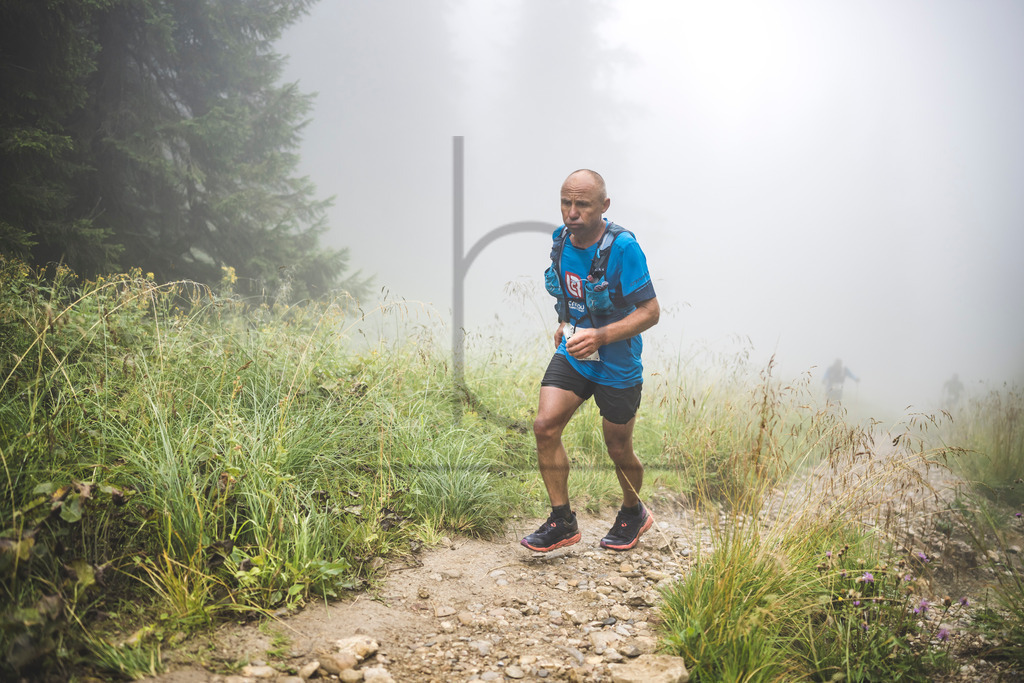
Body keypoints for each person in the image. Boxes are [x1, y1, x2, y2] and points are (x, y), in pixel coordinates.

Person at [520, 169, 660, 553]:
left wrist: (600, 336)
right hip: (576, 352)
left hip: (618, 361)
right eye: (566, 203)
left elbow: (650, 312)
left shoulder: (624, 248)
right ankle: (562, 521)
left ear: (604, 205)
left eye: (582, 204)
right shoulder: (562, 240)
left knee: (618, 448)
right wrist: (565, 322)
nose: (572, 212)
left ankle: (633, 512)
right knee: (545, 426)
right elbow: (572, 289)